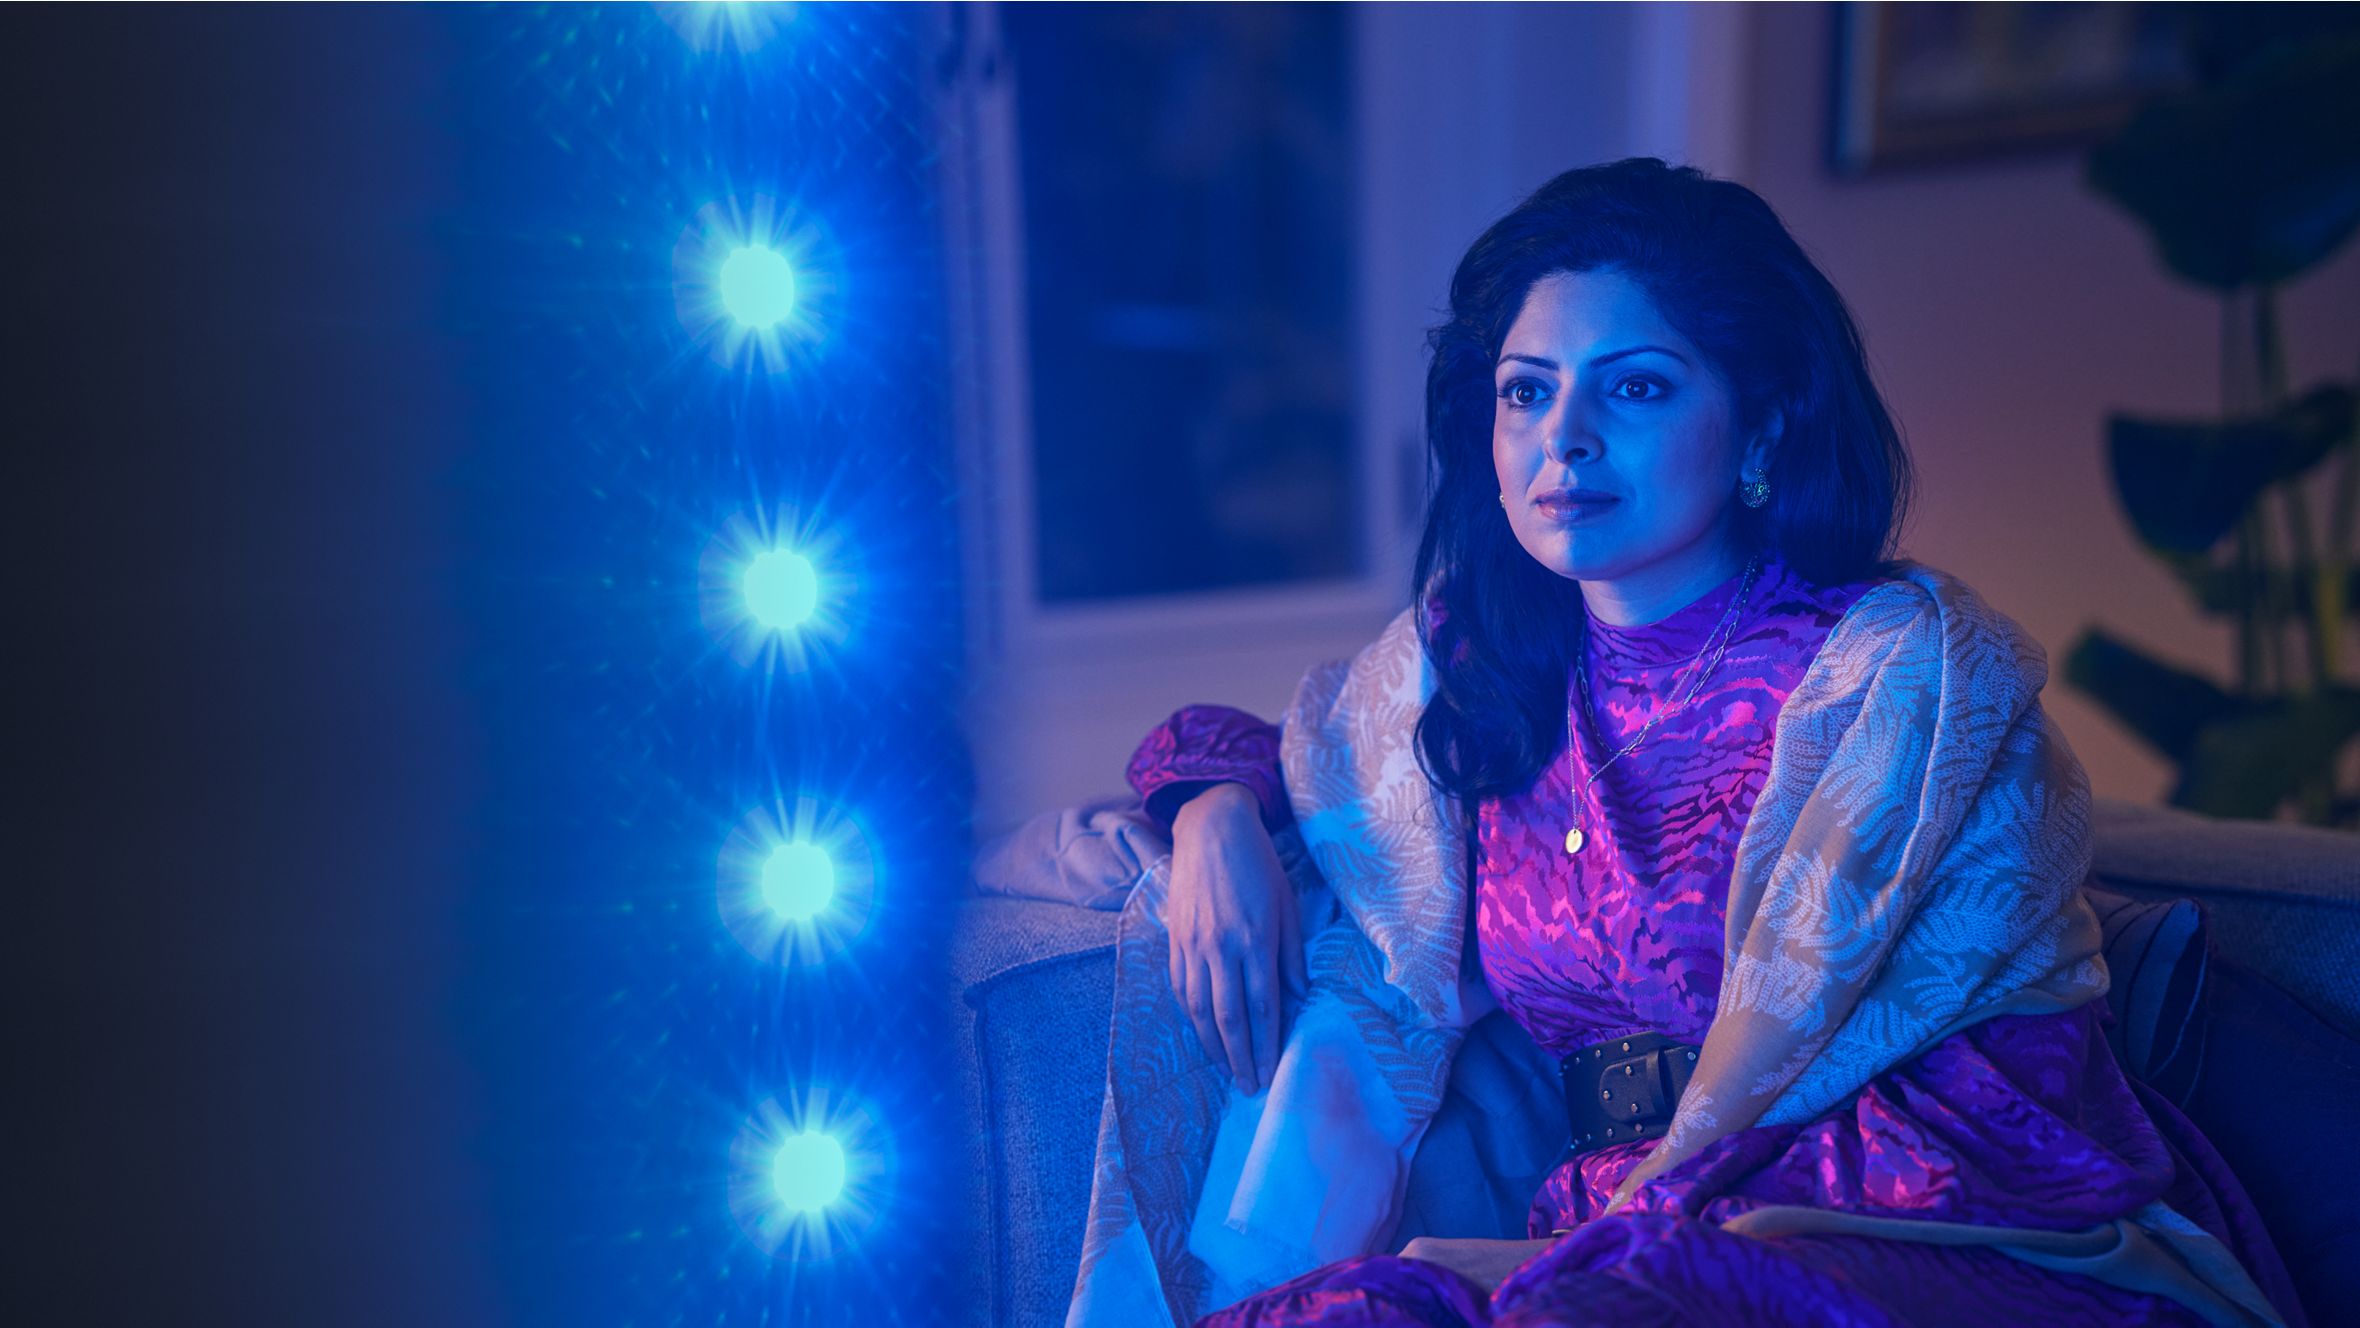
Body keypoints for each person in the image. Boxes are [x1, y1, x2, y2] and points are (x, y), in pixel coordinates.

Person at [1117, 159, 2305, 1326]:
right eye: (1524, 391)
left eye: (1633, 387)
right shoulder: (1479, 668)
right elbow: (1290, 751)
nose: (1562, 437)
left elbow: (2002, 1101)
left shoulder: (1903, 678)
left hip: (1938, 1234)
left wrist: (1589, 1252)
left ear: (1759, 424)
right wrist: (1214, 814)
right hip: (1612, 1238)